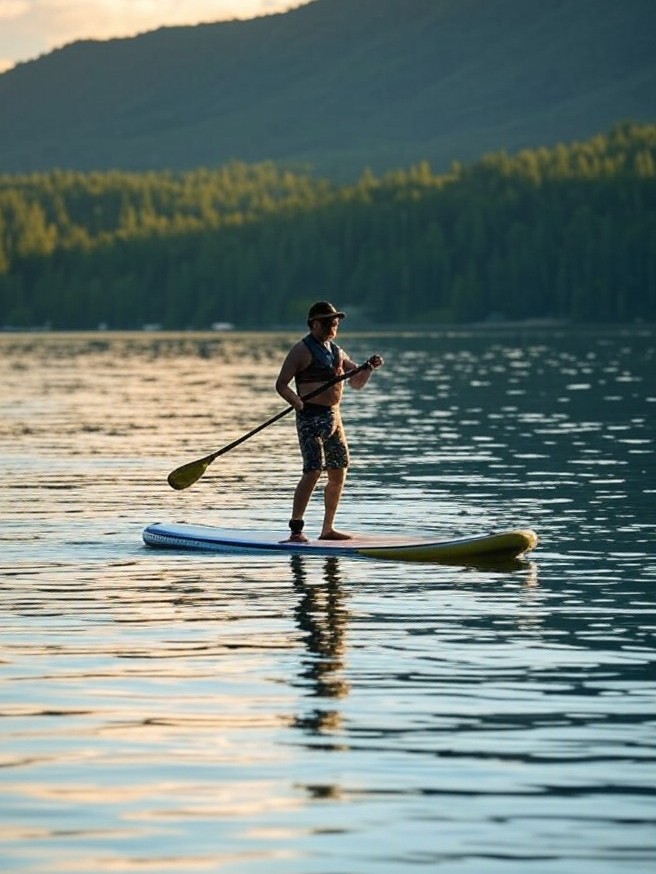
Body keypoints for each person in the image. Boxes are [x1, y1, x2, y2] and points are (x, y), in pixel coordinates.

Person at [275, 301, 383, 542]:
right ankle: (296, 531)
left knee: (338, 471)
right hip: (309, 417)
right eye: (328, 322)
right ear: (314, 324)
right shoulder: (300, 351)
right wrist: (296, 402)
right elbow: (281, 384)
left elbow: (356, 382)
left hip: (334, 417)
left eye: (335, 322)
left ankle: (327, 530)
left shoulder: (337, 352)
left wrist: (368, 368)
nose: (333, 325)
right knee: (312, 471)